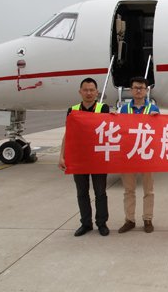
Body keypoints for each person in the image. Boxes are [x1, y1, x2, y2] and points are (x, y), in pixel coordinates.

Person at [58, 78, 110, 237]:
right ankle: (86, 223)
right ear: (80, 92)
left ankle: (102, 223)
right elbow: (68, 134)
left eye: (92, 90)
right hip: (79, 159)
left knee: (100, 193)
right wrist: (62, 156)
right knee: (82, 192)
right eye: (85, 90)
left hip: (98, 159)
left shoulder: (103, 108)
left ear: (97, 92)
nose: (89, 93)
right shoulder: (72, 110)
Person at [117, 76, 160, 234]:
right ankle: (129, 220)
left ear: (146, 90)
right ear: (131, 90)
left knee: (148, 190)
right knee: (129, 190)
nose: (139, 91)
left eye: (141, 88)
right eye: (135, 88)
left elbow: (160, 132)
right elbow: (118, 130)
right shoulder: (123, 110)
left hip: (147, 155)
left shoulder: (154, 110)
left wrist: (157, 120)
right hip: (129, 155)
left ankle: (148, 219)